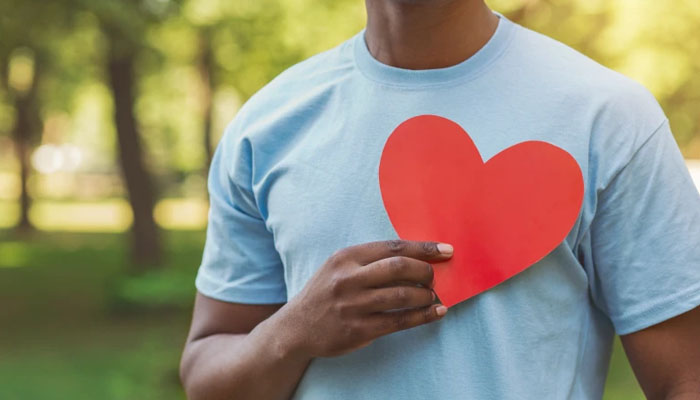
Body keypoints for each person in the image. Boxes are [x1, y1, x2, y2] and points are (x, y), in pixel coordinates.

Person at [179, 1, 700, 399]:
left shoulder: (607, 117)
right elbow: (206, 373)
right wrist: (293, 332)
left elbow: (686, 378)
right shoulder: (267, 125)